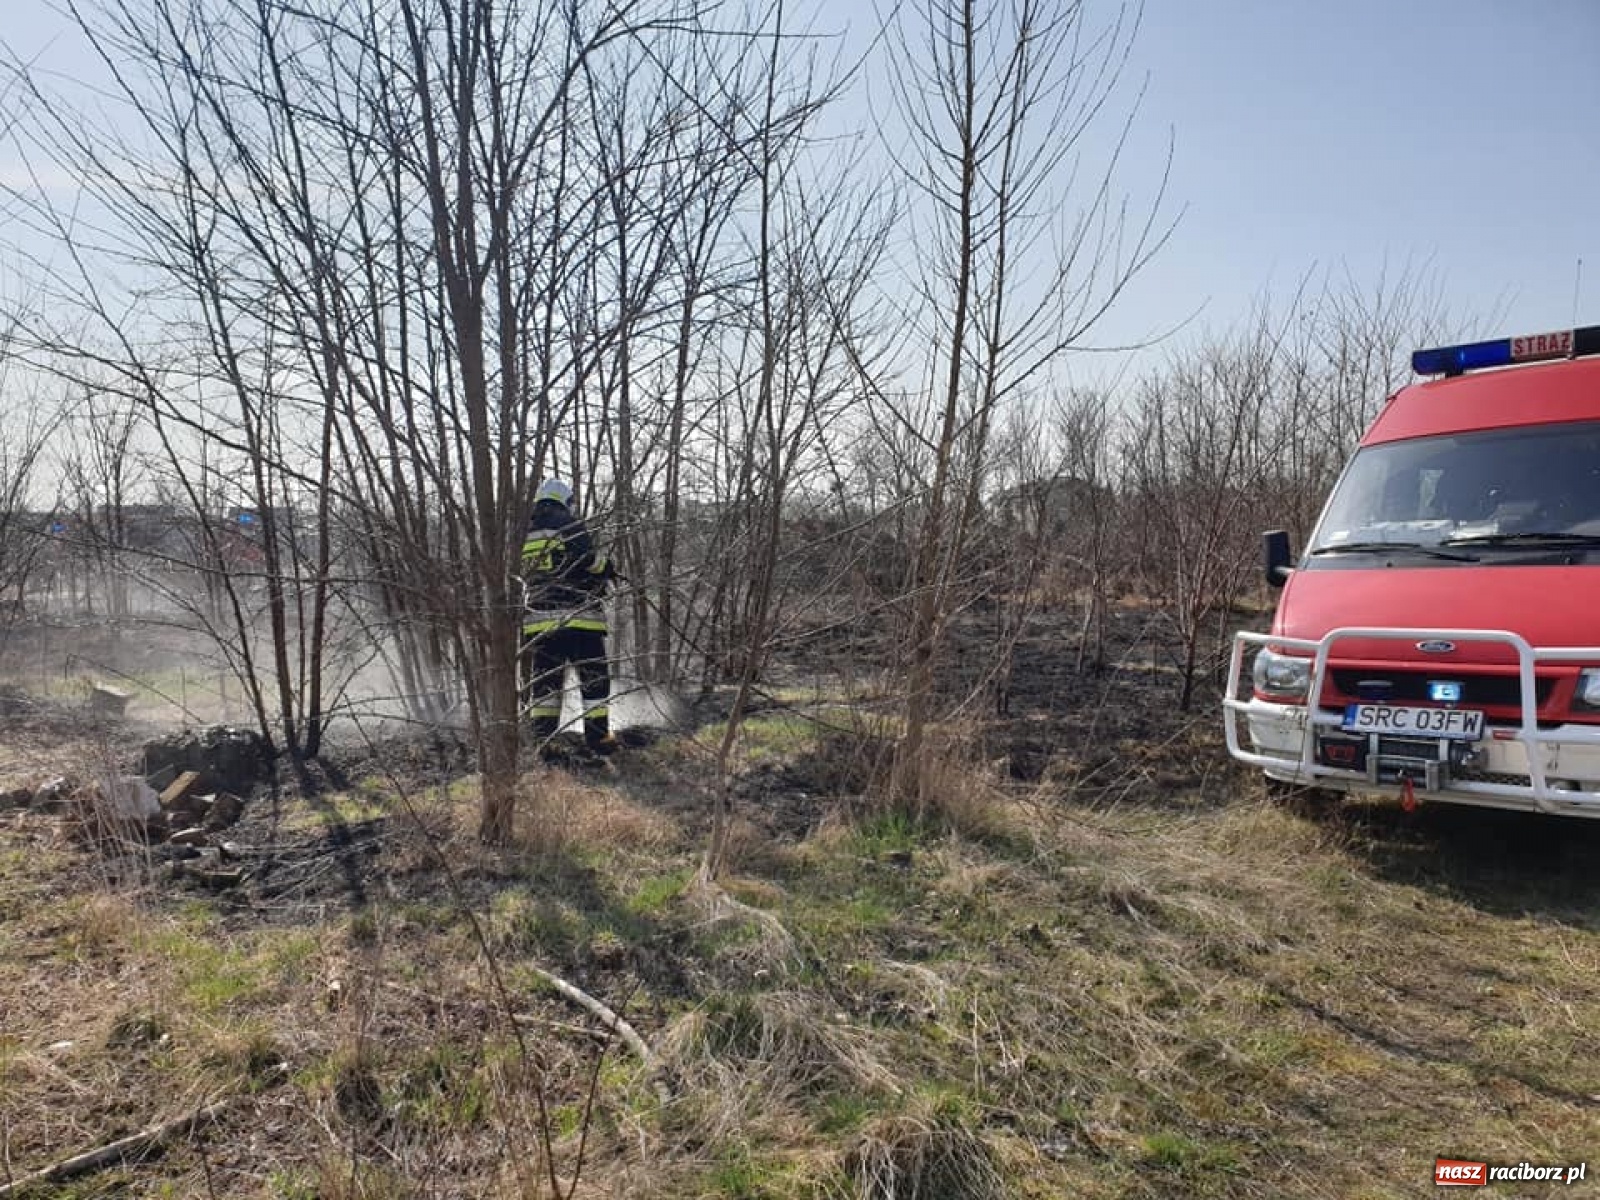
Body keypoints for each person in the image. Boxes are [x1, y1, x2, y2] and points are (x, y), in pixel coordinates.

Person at [519, 478, 618, 757]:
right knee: (594, 679)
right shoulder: (567, 523)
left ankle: (543, 743)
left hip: (538, 623)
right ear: (564, 500)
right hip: (578, 619)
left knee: (546, 685)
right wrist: (607, 568)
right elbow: (589, 560)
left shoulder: (524, 533)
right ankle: (598, 741)